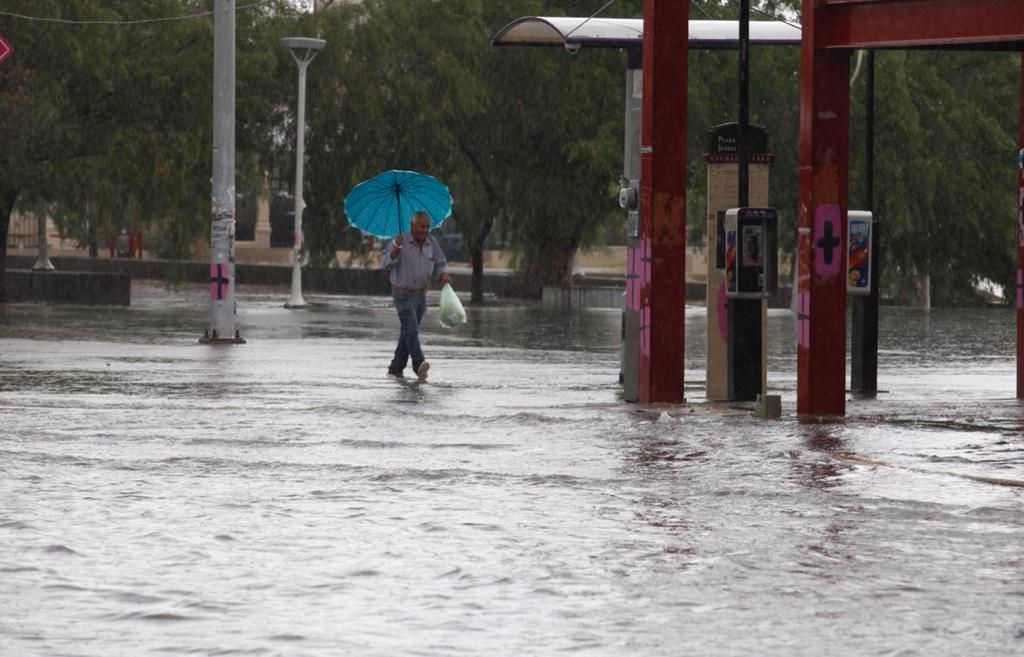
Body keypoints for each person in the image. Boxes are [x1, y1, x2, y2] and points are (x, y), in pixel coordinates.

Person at [380, 210, 451, 381]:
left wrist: (442, 275)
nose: (425, 230)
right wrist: (396, 249)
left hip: (421, 295)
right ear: (412, 226)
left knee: (407, 332)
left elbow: (440, 262)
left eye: (427, 227)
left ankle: (395, 368)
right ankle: (418, 364)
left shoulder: (431, 243)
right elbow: (385, 263)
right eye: (421, 227)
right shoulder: (400, 241)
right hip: (402, 293)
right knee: (411, 329)